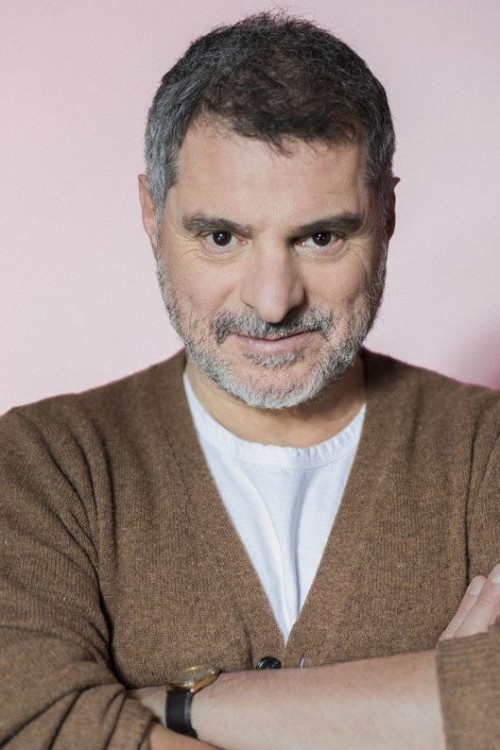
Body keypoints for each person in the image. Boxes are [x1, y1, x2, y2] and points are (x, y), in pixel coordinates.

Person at [1, 11, 499, 750]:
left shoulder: (488, 451)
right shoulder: (47, 466)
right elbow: (32, 723)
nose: (272, 302)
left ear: (388, 212)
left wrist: (174, 708)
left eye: (321, 237)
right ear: (152, 215)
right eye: (221, 237)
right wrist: (428, 704)